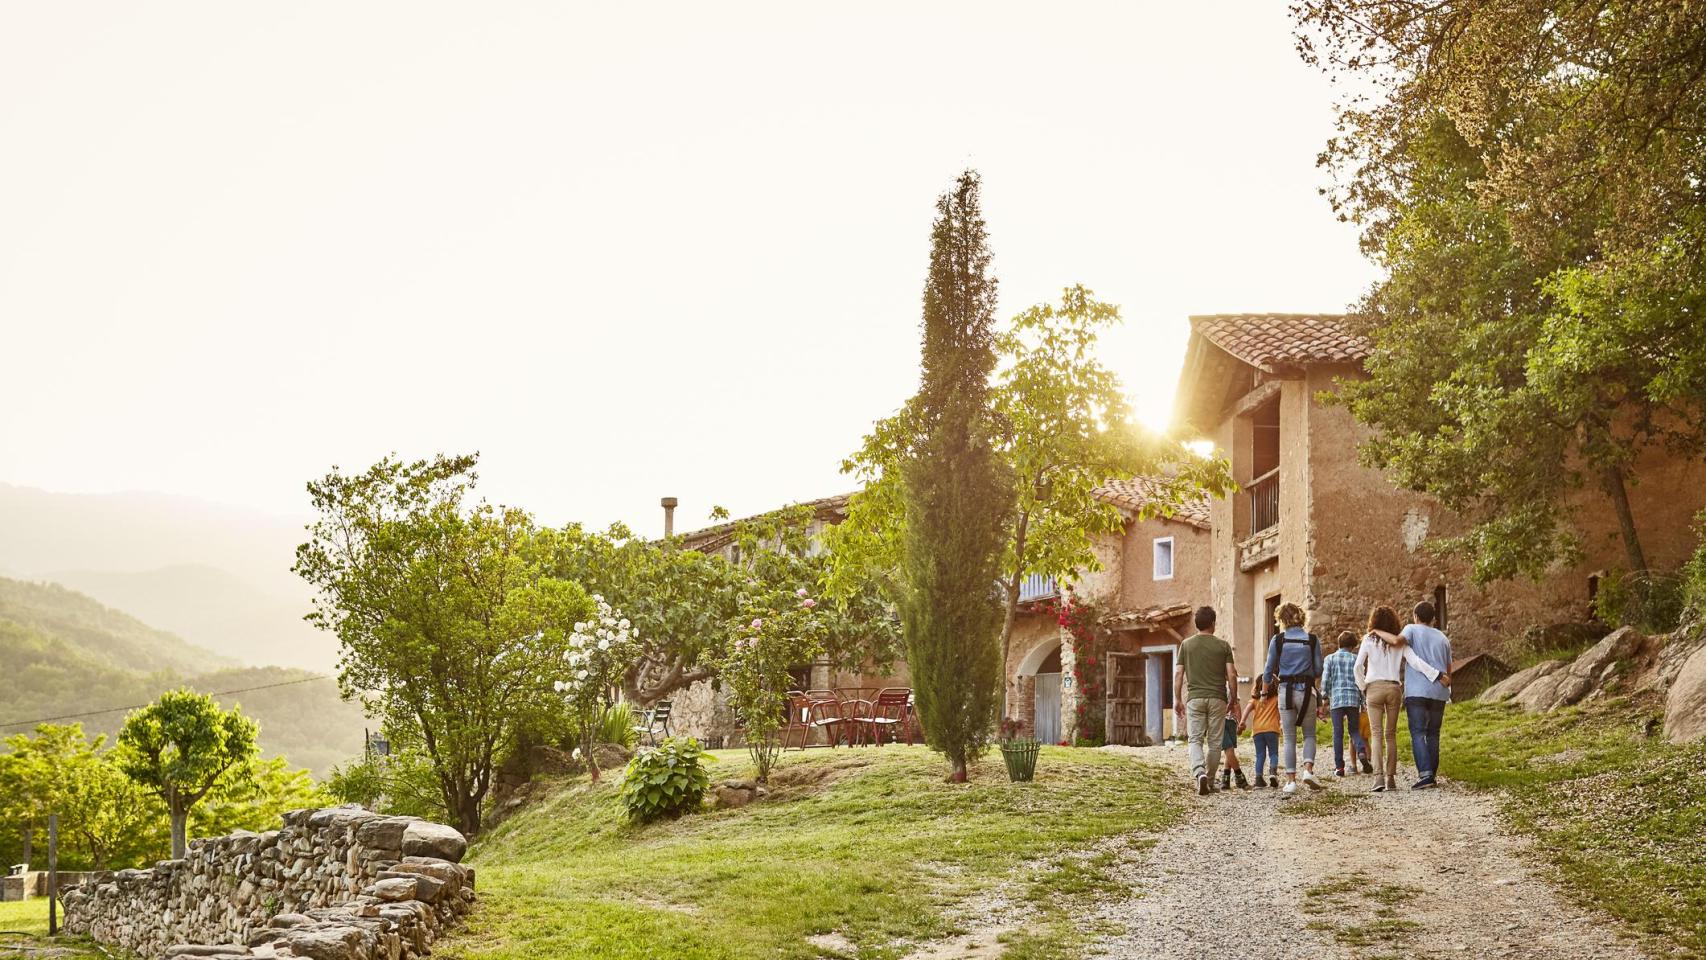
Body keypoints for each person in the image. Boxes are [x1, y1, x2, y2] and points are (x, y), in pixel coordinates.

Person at [1355, 604, 1448, 792]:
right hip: (1394, 688)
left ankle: (1378, 778)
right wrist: (1437, 675)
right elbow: (1415, 662)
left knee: (1376, 734)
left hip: (1374, 687)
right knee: (1390, 735)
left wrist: (1363, 686)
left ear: (1374, 621)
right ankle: (1391, 779)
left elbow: (1357, 666)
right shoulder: (1400, 643)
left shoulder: (1368, 639)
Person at [1173, 605, 1238, 796]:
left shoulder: (1186, 645)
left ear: (1197, 624)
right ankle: (1209, 781)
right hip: (1218, 698)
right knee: (1215, 743)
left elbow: (1178, 673)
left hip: (1195, 698)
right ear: (1213, 623)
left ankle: (1199, 772)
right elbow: (1232, 674)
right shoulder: (1223, 646)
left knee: (1195, 739)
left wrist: (1177, 698)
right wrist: (1233, 698)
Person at [1261, 601, 1324, 794]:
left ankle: (1290, 781)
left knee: (1289, 737)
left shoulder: (1278, 640)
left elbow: (1268, 670)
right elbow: (1319, 669)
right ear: (1301, 617)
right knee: (1309, 734)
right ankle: (1308, 770)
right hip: (1306, 691)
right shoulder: (1312, 640)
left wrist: (1264, 693)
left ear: (1281, 619)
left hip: (1285, 691)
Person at [1399, 600, 1453, 790]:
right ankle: (1432, 773)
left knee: (1418, 732)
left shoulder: (1410, 629)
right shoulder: (1443, 638)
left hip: (1417, 690)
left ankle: (1425, 774)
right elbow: (1448, 668)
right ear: (1433, 619)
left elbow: (1400, 643)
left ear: (1415, 616)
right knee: (1433, 733)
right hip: (1439, 691)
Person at [1321, 631, 1368, 777]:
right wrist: (1363, 701)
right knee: (1354, 730)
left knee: (1338, 733)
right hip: (1353, 699)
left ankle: (1339, 767)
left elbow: (1326, 678)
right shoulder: (1355, 659)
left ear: (1339, 643)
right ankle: (1361, 751)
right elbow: (1361, 680)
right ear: (1353, 646)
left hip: (1337, 700)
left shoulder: (1330, 658)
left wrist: (1324, 695)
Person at [1240, 675, 1281, 788]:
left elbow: (1246, 710)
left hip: (1258, 731)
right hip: (1272, 729)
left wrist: (1242, 721)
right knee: (1273, 753)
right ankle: (1272, 773)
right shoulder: (1277, 699)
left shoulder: (1254, 700)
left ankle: (1258, 778)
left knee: (1260, 755)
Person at [1220, 700, 1250, 790]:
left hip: (1220, 720)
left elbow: (1236, 704)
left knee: (1229, 750)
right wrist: (1240, 722)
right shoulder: (1231, 687)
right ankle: (1239, 776)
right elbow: (1236, 704)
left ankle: (1226, 779)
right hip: (1231, 721)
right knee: (1229, 749)